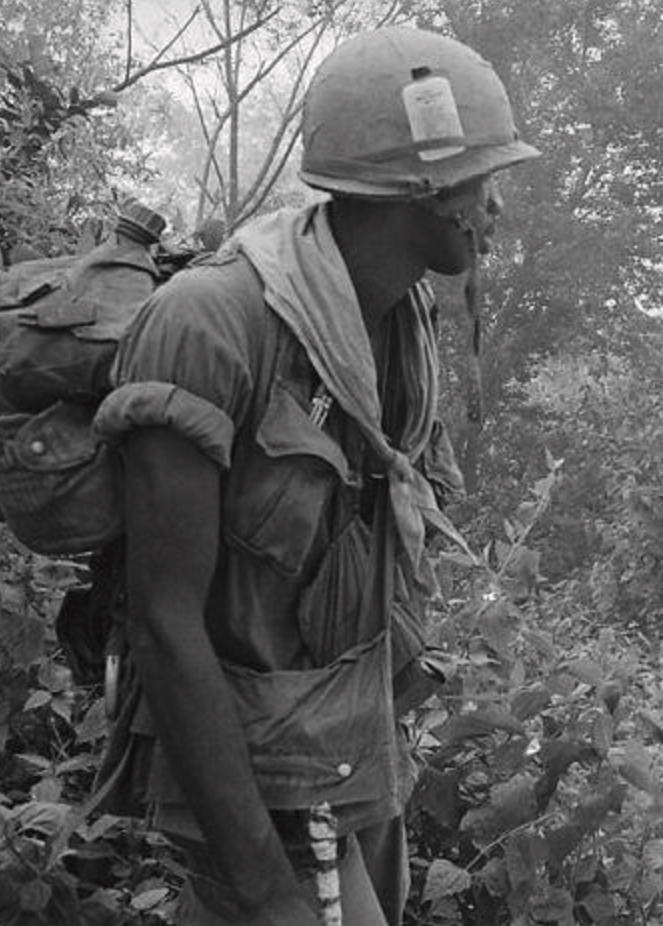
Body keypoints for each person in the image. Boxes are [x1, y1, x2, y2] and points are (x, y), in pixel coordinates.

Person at [91, 25, 538, 926]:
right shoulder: (209, 327)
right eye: (482, 181)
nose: (494, 209)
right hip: (250, 766)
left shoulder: (400, 313)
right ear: (424, 189)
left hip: (351, 736)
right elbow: (163, 622)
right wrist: (260, 886)